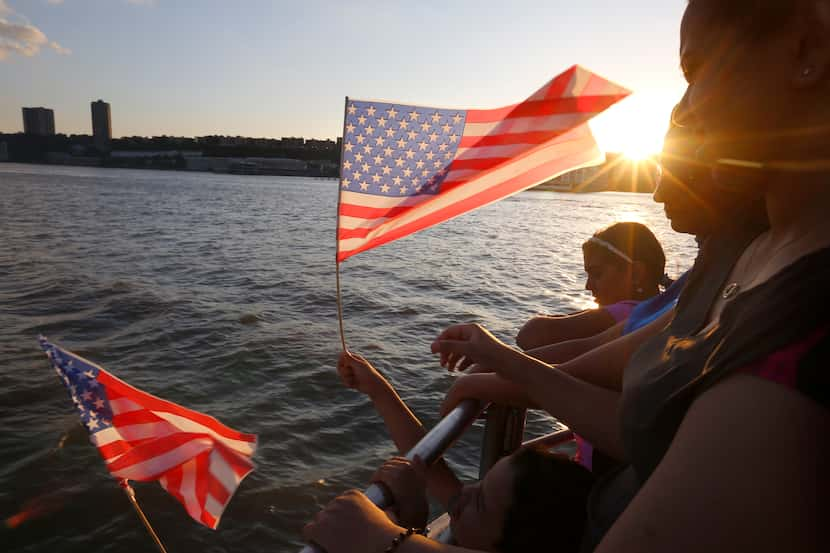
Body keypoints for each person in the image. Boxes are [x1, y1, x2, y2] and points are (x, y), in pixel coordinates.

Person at [305, 2, 830, 551]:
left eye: (694, 71)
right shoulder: (744, 267)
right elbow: (590, 374)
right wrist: (493, 365)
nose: (684, 110)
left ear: (806, 50)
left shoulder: (805, 322)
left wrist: (391, 545)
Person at [320, 351, 593, 553]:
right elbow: (425, 464)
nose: (464, 490)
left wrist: (389, 534)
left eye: (481, 501)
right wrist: (377, 389)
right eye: (480, 484)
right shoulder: (482, 520)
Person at [516, 221, 669, 350]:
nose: (588, 286)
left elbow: (532, 333)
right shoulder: (662, 309)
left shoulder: (630, 312)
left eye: (597, 274)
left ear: (635, 273)